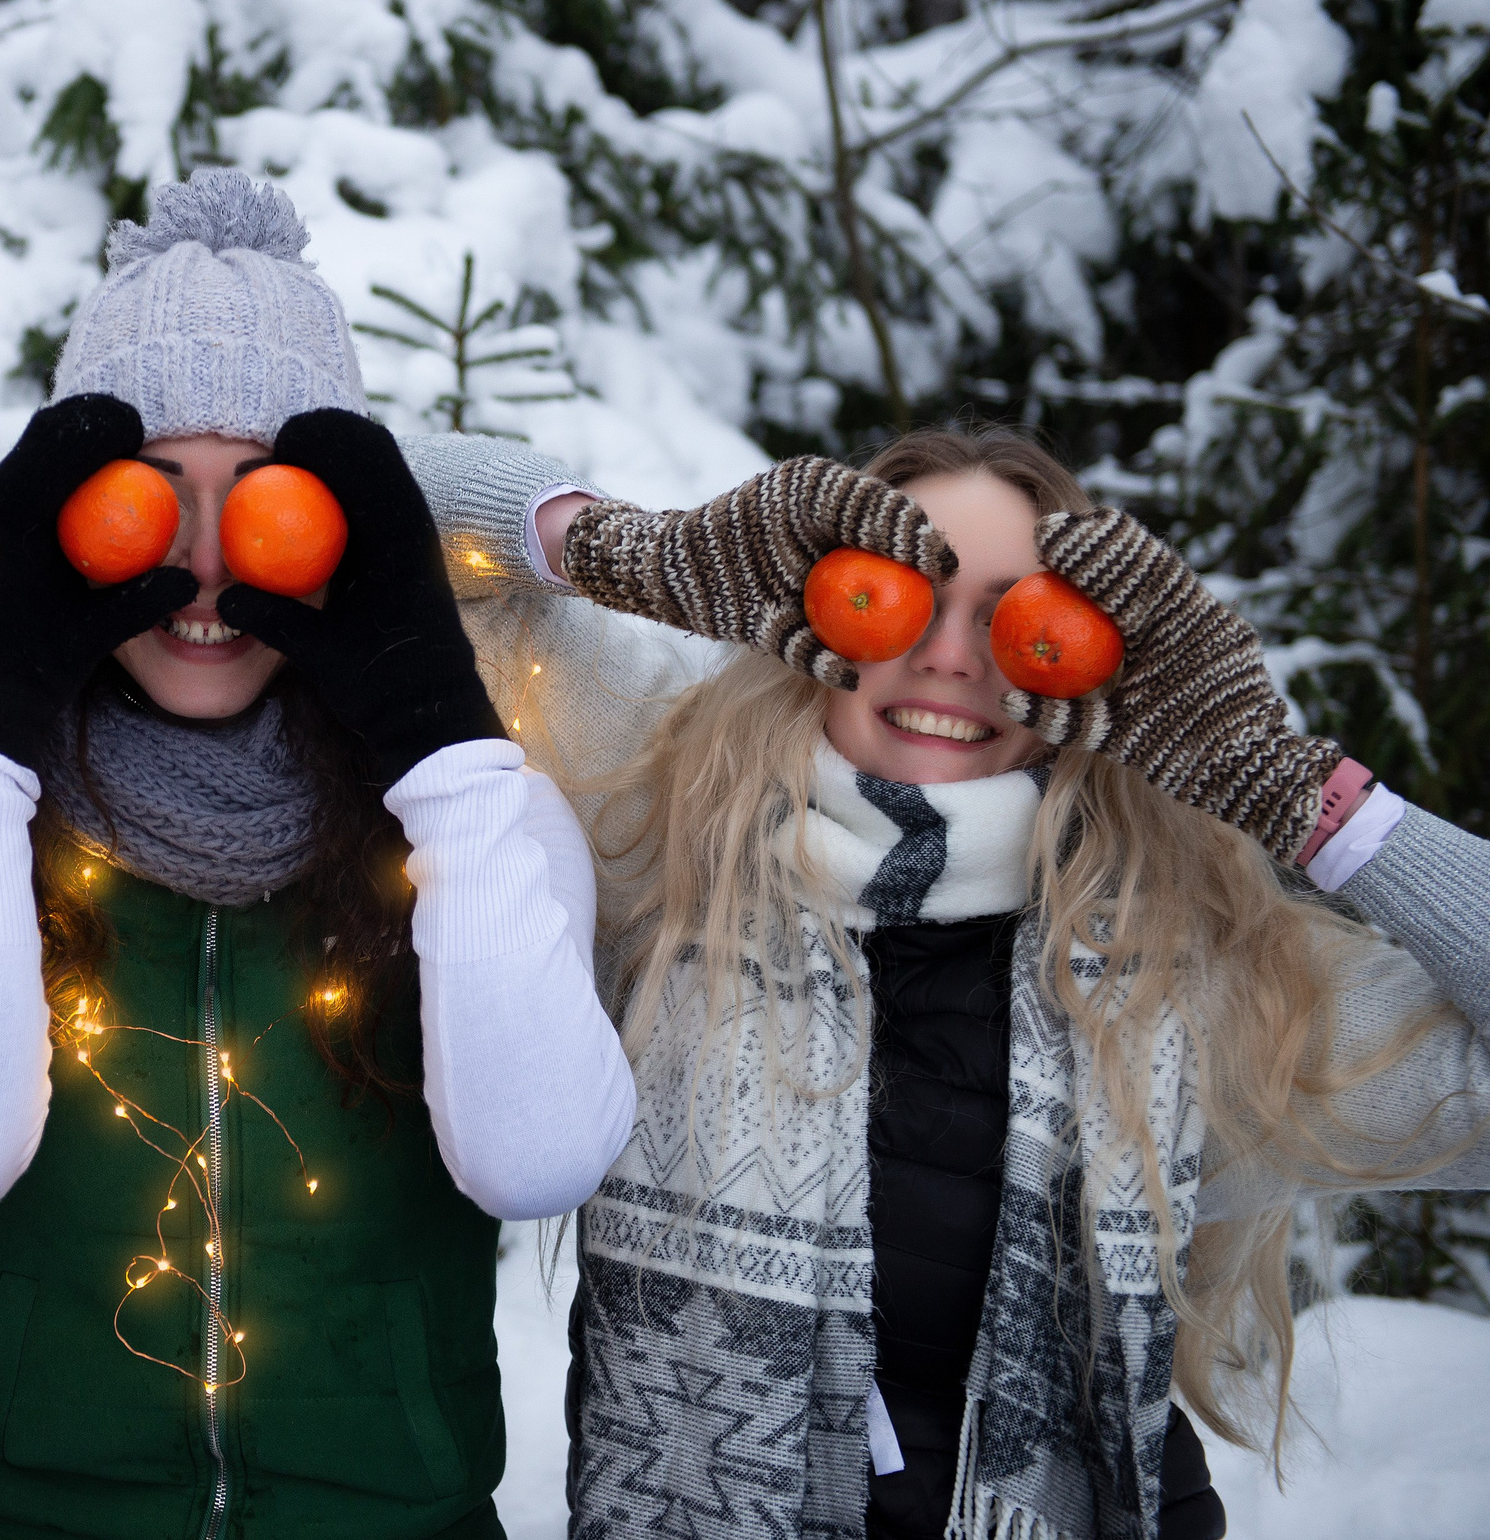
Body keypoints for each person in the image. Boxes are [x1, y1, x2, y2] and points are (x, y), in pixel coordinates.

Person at [401, 425, 1490, 1540]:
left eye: (1018, 624)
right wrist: (642, 553)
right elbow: (374, 500)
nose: (950, 658)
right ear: (805, 603)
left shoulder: (1189, 973)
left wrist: (1306, 797)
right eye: (897, 594)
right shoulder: (675, 825)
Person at [0, 170, 636, 1539]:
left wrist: (437, 740)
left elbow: (538, 1159)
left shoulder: (478, 819)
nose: (208, 569)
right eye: (149, 503)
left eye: (266, 503)